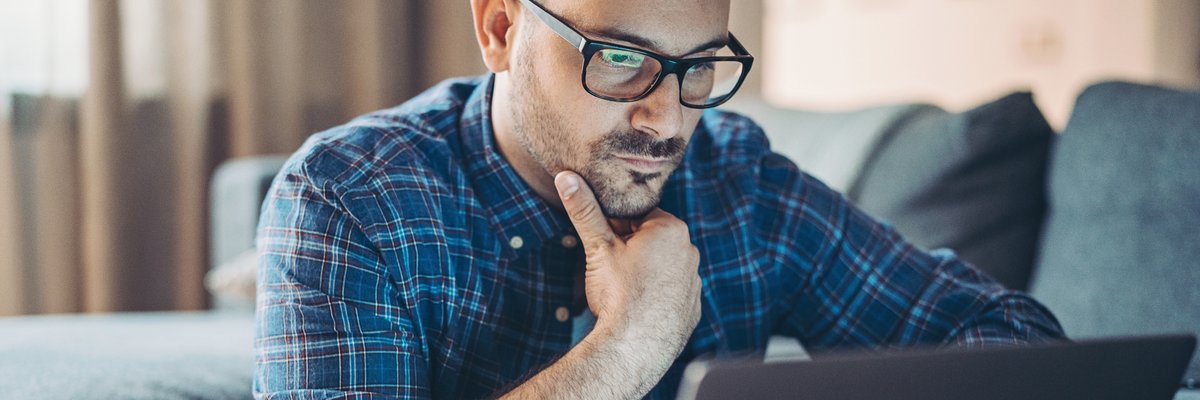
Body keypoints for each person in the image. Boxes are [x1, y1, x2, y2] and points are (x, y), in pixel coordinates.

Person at [253, 0, 1064, 398]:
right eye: (618, 60)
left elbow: (1013, 339)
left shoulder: (740, 185)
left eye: (699, 67)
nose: (667, 117)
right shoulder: (350, 199)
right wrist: (631, 349)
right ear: (501, 28)